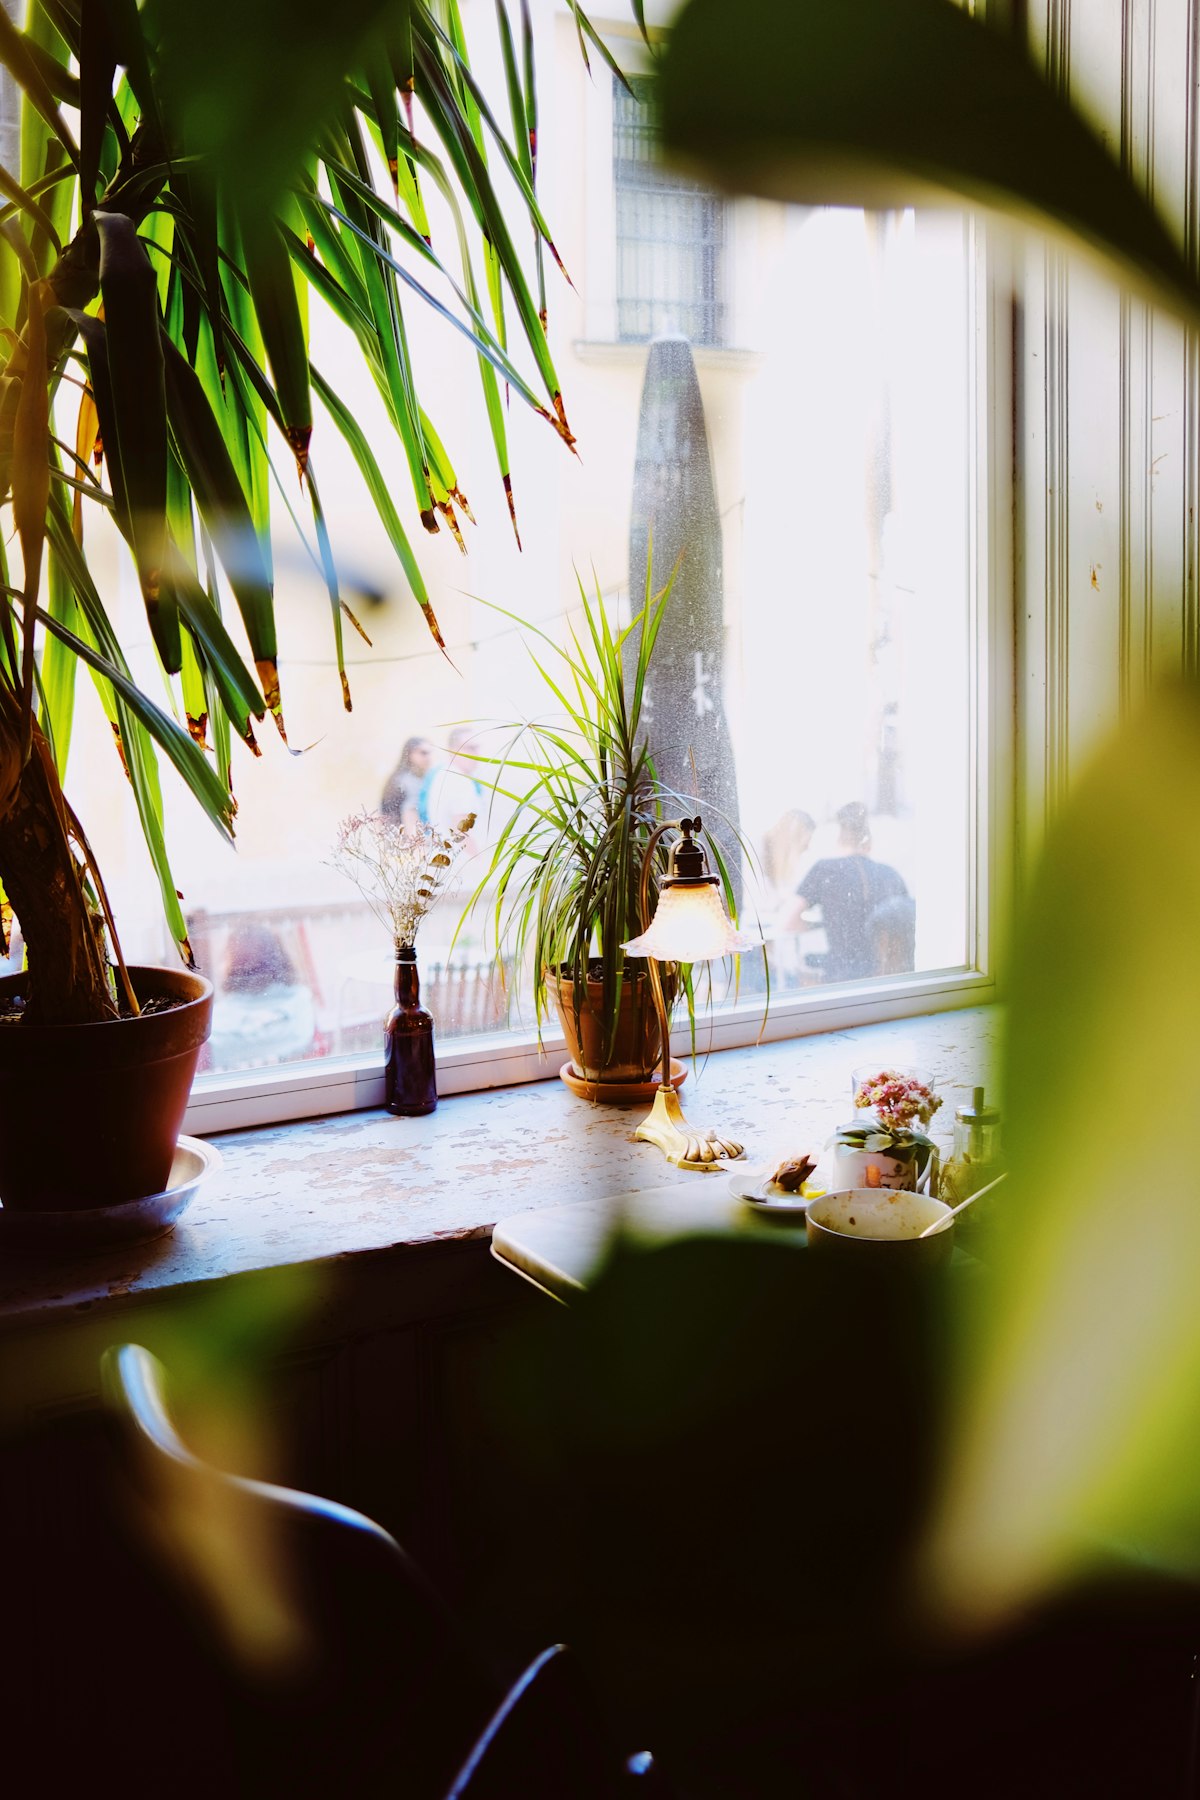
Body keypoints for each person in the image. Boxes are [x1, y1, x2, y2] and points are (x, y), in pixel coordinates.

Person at [782, 802, 913, 983]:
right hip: (886, 982)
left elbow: (789, 922)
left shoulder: (825, 870)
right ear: (869, 840)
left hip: (841, 981)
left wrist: (821, 924)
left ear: (838, 838)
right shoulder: (891, 874)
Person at [420, 726, 484, 841]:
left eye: (477, 747)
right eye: (470, 748)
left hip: (443, 853)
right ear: (453, 751)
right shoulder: (459, 781)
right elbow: (461, 834)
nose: (477, 753)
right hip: (461, 856)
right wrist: (480, 859)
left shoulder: (443, 773)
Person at [381, 737, 434, 830]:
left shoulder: (397, 777)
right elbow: (410, 814)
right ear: (410, 754)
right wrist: (415, 842)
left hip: (391, 836)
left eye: (430, 753)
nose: (428, 757)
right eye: (423, 753)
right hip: (404, 838)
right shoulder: (408, 781)